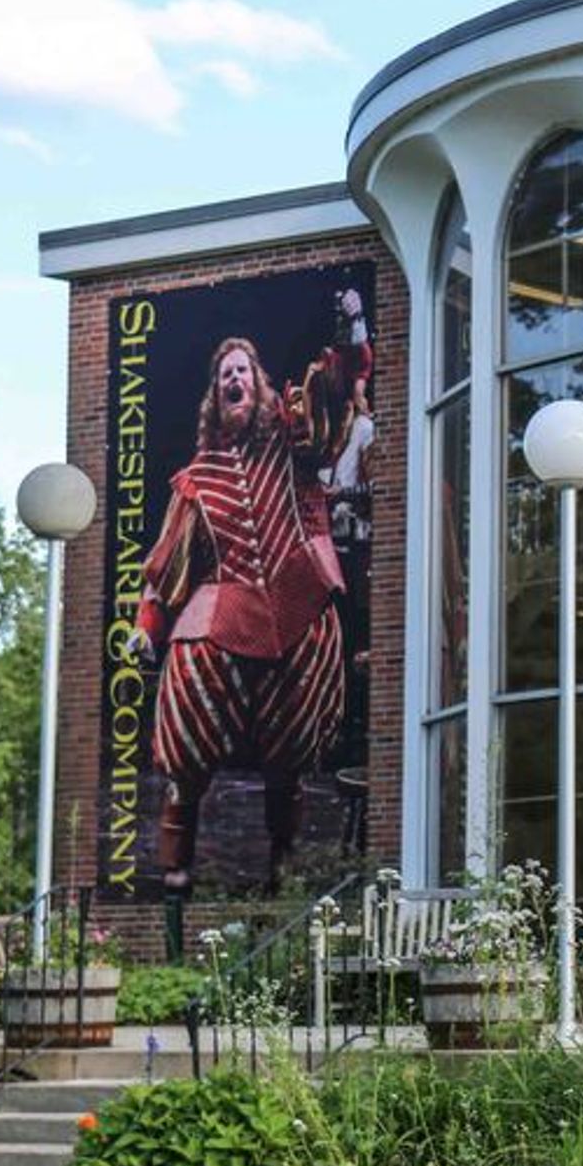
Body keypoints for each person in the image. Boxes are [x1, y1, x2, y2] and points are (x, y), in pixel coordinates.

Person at [131, 290, 372, 895]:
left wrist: (350, 325)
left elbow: (340, 386)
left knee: (299, 709)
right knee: (188, 673)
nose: (234, 379)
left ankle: (284, 860)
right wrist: (147, 627)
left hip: (296, 591)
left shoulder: (293, 438)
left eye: (242, 370)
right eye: (225, 376)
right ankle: (177, 858)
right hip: (226, 601)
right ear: (215, 396)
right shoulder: (198, 480)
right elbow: (167, 562)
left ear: (258, 382)